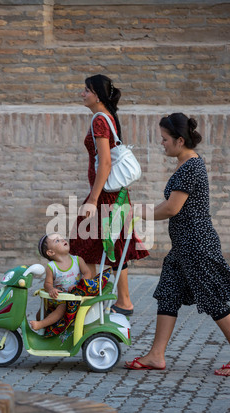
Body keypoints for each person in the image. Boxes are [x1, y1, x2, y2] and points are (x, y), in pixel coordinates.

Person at [125, 112, 230, 376]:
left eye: (164, 138)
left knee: (212, 298)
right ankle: (156, 355)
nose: (162, 143)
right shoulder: (186, 166)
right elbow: (167, 207)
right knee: (168, 293)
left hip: (197, 246)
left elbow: (171, 208)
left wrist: (137, 211)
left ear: (180, 140)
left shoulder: (191, 167)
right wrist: (137, 208)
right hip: (183, 247)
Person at [69, 74, 149, 315]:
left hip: (105, 196)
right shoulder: (108, 118)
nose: (82, 94)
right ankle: (116, 300)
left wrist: (92, 200)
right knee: (109, 244)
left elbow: (105, 163)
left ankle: (97, 299)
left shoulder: (99, 121)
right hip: (112, 194)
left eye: (86, 90)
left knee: (83, 243)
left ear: (97, 95)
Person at [30, 233, 91, 331]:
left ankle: (41, 324)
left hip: (74, 299)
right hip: (58, 297)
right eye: (57, 240)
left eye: (62, 238)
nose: (63, 240)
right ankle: (43, 322)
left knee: (62, 307)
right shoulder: (52, 267)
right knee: (43, 310)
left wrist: (80, 285)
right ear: (50, 252)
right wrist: (51, 289)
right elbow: (47, 283)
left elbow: (87, 273)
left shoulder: (78, 260)